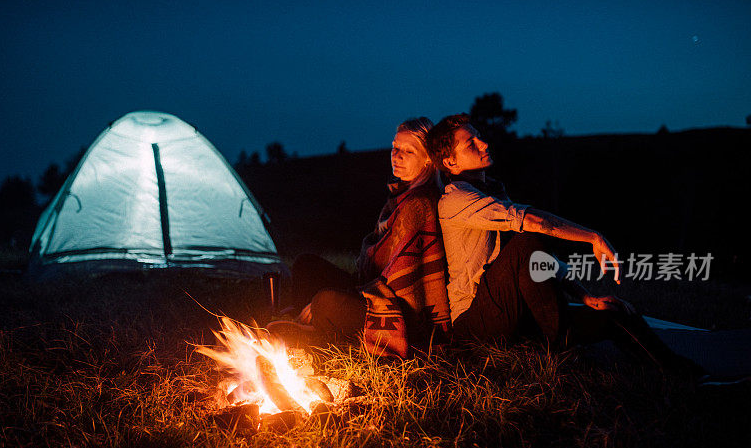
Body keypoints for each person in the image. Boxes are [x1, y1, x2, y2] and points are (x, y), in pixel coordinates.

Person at [425, 113, 708, 379]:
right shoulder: (455, 199)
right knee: (528, 238)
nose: (484, 143)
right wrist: (593, 237)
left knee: (615, 314)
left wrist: (585, 297)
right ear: (450, 163)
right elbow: (532, 225)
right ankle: (562, 346)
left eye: (479, 136)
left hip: (514, 312)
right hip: (475, 323)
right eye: (470, 143)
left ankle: (690, 377)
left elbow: (536, 259)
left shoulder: (493, 190)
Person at [268, 118, 452, 358]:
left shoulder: (419, 204)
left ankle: (315, 327)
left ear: (429, 158)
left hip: (397, 310)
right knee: (306, 265)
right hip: (370, 289)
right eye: (395, 148)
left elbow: (400, 284)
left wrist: (334, 299)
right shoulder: (399, 198)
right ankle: (308, 321)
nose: (397, 156)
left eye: (408, 151)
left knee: (326, 302)